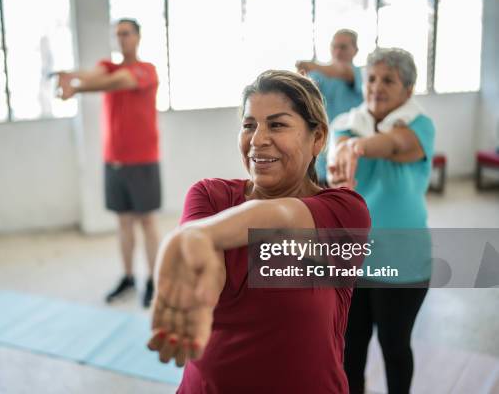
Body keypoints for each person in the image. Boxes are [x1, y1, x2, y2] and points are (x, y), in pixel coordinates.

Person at [147, 70, 371, 393]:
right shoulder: (210, 196)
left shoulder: (344, 211)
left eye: (277, 125)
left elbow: (284, 216)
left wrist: (201, 235)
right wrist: (200, 292)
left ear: (318, 138)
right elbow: (211, 273)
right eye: (249, 125)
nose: (258, 139)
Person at [327, 48, 435, 394]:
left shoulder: (419, 125)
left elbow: (396, 144)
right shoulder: (344, 123)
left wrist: (354, 149)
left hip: (404, 264)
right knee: (350, 349)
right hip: (352, 261)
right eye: (371, 78)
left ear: (408, 89)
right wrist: (343, 150)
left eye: (388, 80)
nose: (376, 86)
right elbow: (329, 171)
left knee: (394, 346)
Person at [57, 18, 160, 308]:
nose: (122, 39)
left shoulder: (145, 70)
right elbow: (96, 73)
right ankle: (128, 277)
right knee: (123, 222)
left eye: (126, 33)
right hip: (113, 160)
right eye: (117, 35)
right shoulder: (108, 65)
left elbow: (116, 82)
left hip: (143, 160)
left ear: (138, 37)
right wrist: (70, 76)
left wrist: (74, 87)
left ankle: (153, 279)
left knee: (147, 221)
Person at [297, 29, 364, 183]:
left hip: (352, 149)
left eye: (343, 47)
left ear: (356, 50)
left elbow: (341, 71)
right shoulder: (319, 75)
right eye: (334, 46)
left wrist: (312, 65)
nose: (337, 51)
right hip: (322, 153)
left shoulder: (360, 73)